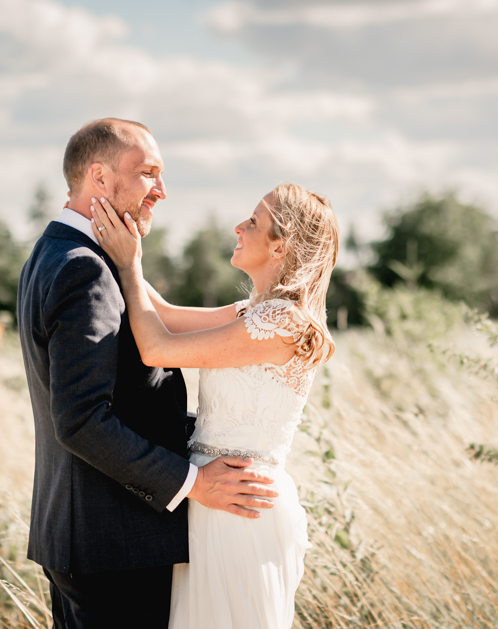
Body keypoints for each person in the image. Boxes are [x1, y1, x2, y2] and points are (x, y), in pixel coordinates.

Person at [17, 118, 279, 629]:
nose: (161, 191)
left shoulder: (55, 254)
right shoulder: (84, 269)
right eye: (148, 174)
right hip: (114, 546)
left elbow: (135, 383)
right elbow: (82, 419)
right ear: (99, 177)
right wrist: (193, 482)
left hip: (85, 538)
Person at [90, 180, 339, 628]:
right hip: (213, 500)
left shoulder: (283, 321)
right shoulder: (254, 311)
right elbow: (163, 313)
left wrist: (129, 267)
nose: (238, 226)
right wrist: (116, 250)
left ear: (280, 247)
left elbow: (157, 348)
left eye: (254, 221)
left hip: (240, 508)